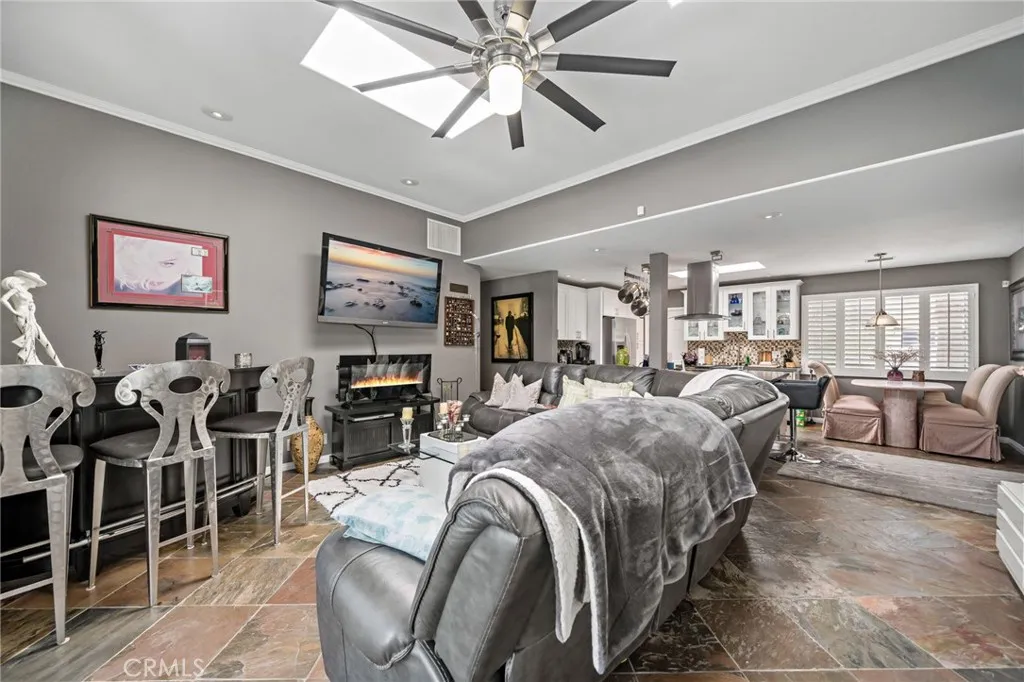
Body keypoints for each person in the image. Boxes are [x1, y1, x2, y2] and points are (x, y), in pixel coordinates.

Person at [1, 270, 63, 366]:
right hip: (22, 318)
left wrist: (33, 308)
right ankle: (28, 362)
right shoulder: (17, 289)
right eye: (36, 281)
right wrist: (15, 311)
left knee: (44, 340)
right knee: (28, 340)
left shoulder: (28, 294)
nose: (37, 284)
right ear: (29, 280)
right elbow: (3, 299)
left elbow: (30, 304)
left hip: (31, 318)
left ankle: (59, 365)